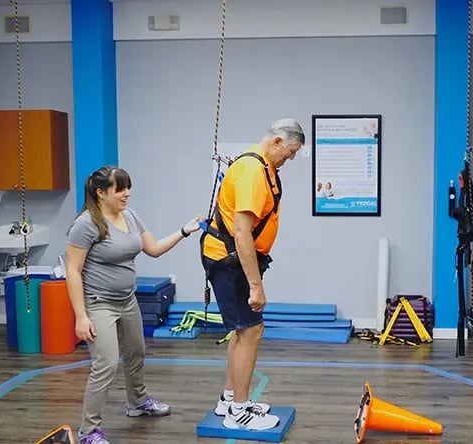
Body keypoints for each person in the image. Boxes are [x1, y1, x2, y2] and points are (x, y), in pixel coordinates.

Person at [65, 166, 202, 444]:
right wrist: (81, 316)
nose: (127, 193)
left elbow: (153, 249)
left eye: (128, 187)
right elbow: (73, 271)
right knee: (105, 364)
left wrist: (184, 231)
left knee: (136, 353)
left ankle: (138, 403)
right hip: (98, 303)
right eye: (120, 188)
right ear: (101, 192)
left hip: (127, 300)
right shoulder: (86, 224)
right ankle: (89, 431)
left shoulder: (130, 216)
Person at [200, 118, 305, 431]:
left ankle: (230, 398)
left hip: (235, 259)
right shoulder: (251, 171)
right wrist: (255, 287)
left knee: (242, 330)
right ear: (275, 142)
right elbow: (242, 231)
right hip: (229, 258)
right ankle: (239, 411)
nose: (291, 159)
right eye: (289, 152)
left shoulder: (264, 168)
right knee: (251, 330)